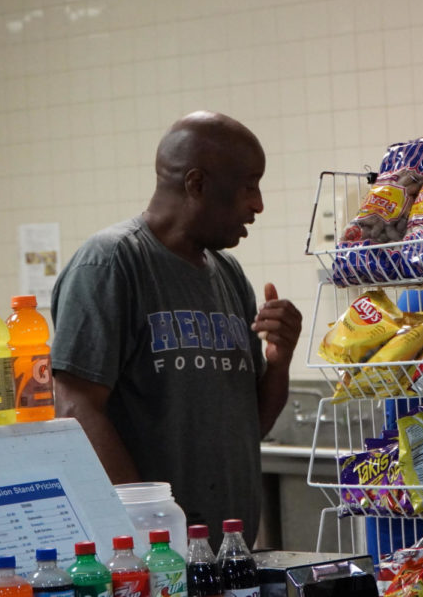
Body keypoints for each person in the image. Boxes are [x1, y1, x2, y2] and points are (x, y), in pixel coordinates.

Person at [50, 110, 302, 548]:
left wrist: (279, 362)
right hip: (154, 556)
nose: (257, 204)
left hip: (224, 551)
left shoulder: (229, 275)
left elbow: (252, 426)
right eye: (248, 186)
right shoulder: (110, 264)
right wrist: (154, 533)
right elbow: (76, 407)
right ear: (197, 184)